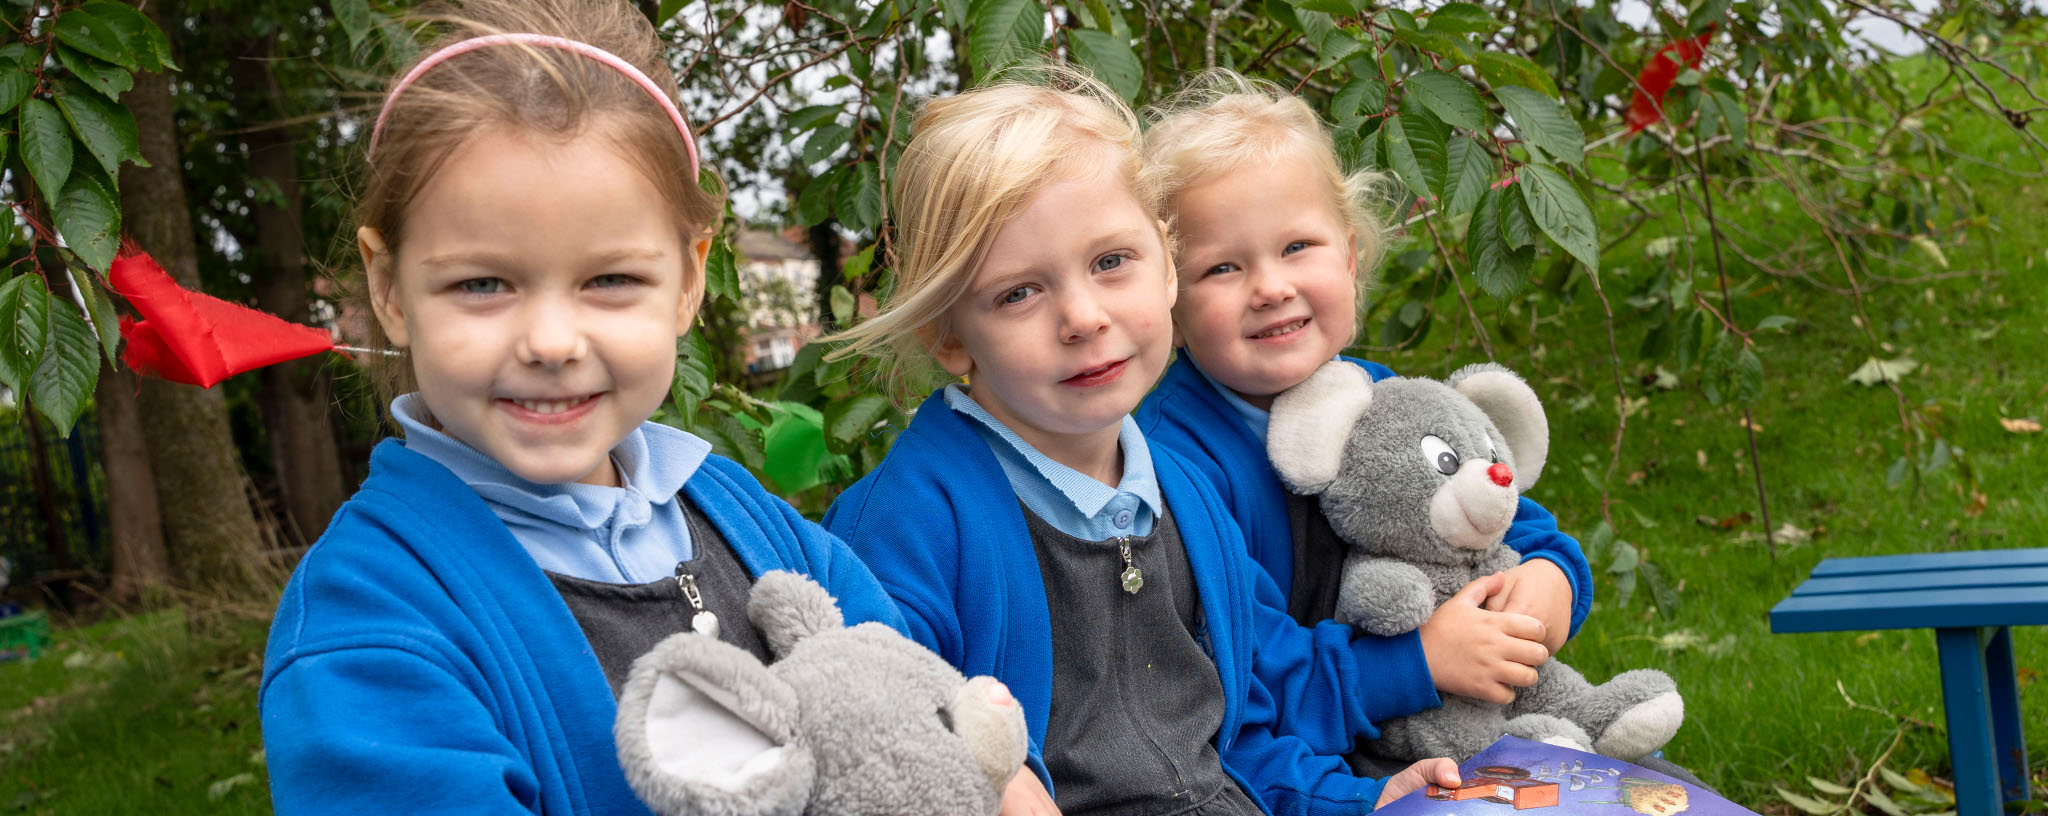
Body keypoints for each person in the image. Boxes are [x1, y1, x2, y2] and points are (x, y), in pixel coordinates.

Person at [258, 2, 907, 812]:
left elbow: (918, 710)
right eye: (482, 284)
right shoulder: (369, 629)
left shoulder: (748, 517)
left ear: (689, 278)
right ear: (389, 288)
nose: (553, 341)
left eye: (610, 280)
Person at [821, 69, 1458, 816]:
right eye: (1018, 293)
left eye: (1110, 262)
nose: (1084, 316)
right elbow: (868, 728)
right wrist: (983, 780)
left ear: (1165, 267)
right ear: (949, 337)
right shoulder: (914, 519)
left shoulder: (1182, 493)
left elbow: (1238, 732)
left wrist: (1359, 801)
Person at [1134, 70, 1595, 773]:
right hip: (1303, 766)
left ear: (1350, 258)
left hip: (1460, 723)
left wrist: (1550, 578)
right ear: (1168, 301)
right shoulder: (1178, 464)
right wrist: (1418, 661)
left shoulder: (1381, 399)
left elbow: (1504, 516)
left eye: (1297, 248)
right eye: (1222, 267)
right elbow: (1247, 666)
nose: (1271, 287)